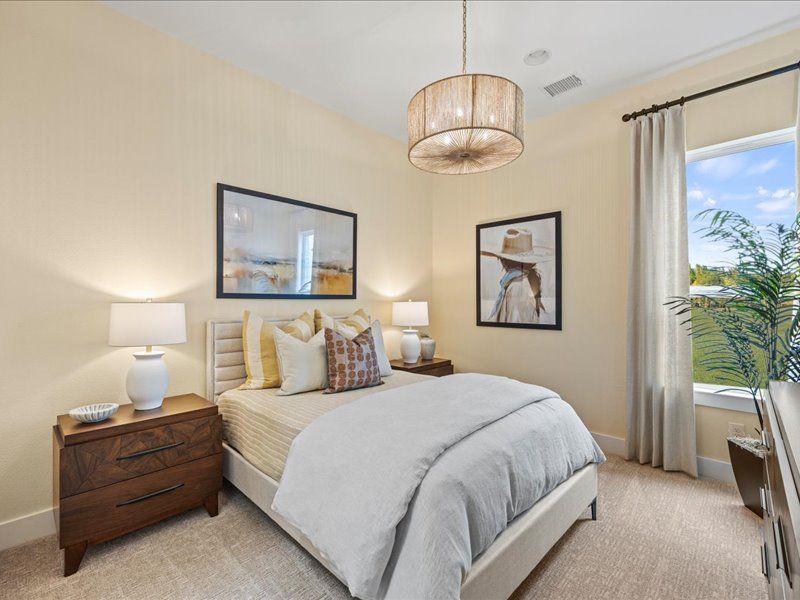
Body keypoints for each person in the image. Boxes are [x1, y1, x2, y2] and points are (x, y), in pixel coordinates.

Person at [481, 227, 553, 324]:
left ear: (504, 260)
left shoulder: (516, 286)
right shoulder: (521, 281)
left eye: (501, 258)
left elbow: (514, 323)